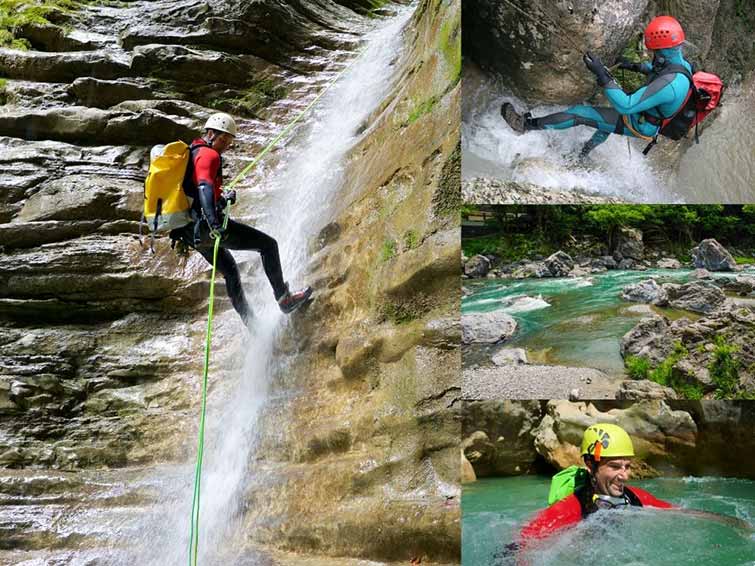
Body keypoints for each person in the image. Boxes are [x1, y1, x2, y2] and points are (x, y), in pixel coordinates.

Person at [170, 112, 312, 324]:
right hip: (206, 226)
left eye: (229, 141)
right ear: (210, 133)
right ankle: (284, 299)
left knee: (230, 271)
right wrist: (214, 222)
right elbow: (204, 187)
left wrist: (223, 199)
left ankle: (252, 326)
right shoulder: (209, 155)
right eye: (223, 139)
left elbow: (199, 192)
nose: (226, 145)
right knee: (268, 245)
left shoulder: (193, 154)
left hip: (190, 232)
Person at [501, 16, 693, 159]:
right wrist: (635, 66)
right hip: (646, 115)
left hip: (639, 122)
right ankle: (582, 155)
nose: (652, 55)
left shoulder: (670, 85)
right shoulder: (682, 65)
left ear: (661, 51)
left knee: (580, 113)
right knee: (605, 124)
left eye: (654, 51)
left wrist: (602, 75)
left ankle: (525, 126)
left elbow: (626, 106)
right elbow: (659, 70)